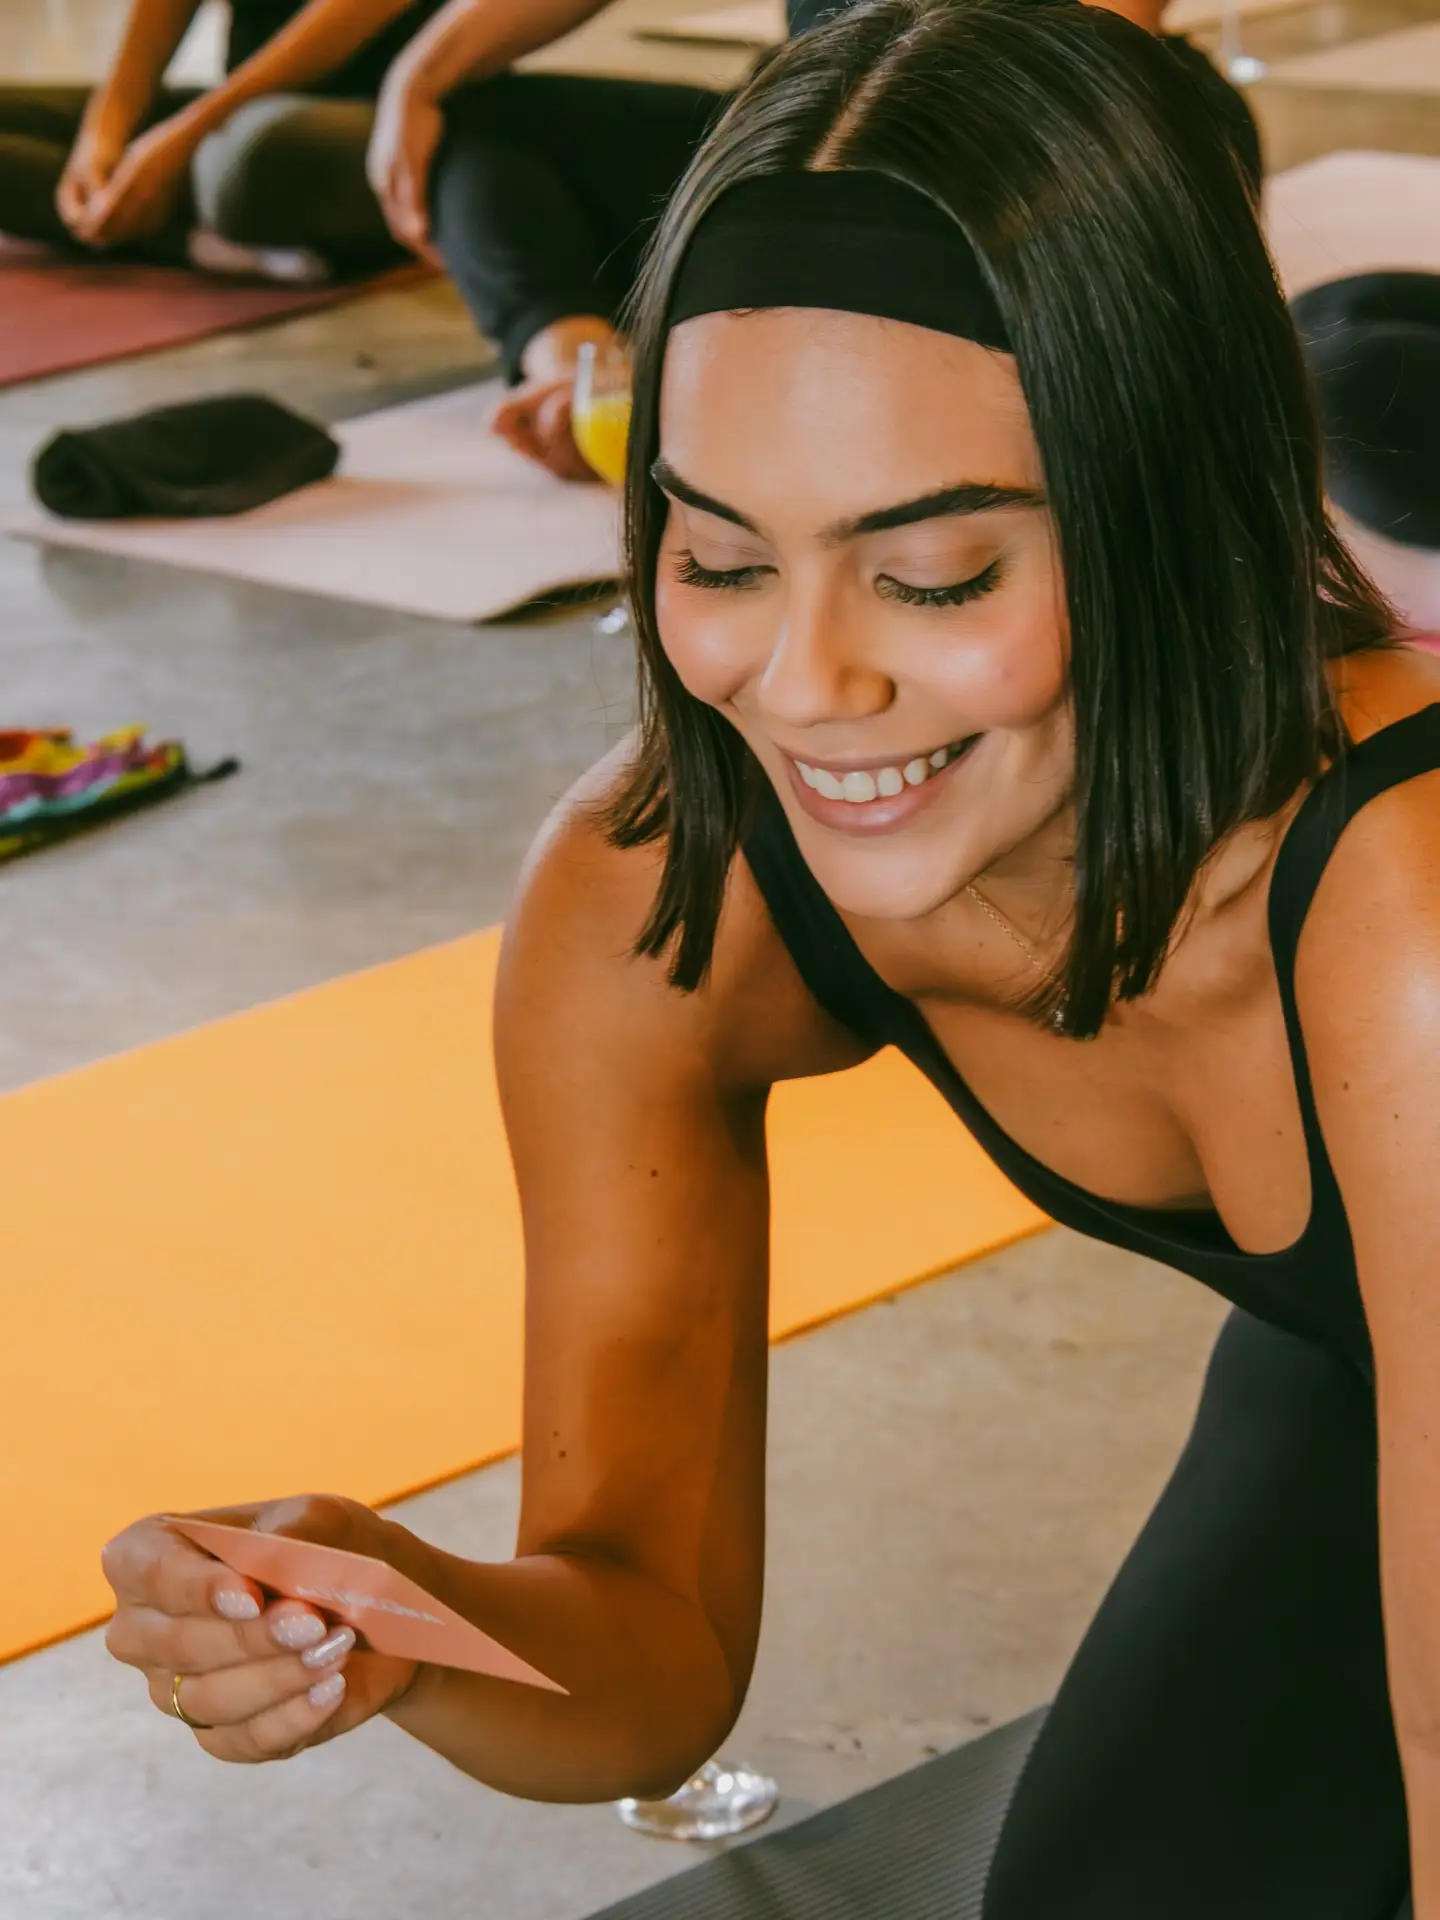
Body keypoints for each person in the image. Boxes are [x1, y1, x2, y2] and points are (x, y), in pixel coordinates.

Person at [101, 2, 1439, 1911]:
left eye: (938, 573)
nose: (804, 688)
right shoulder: (655, 900)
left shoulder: (1406, 902)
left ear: (1171, 509)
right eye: (721, 559)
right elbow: (644, 1657)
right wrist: (404, 1623)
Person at [366, 0, 1263, 476]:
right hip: (816, 125)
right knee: (486, 125)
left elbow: (1093, 47)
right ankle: (580, 375)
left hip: (1052, 114)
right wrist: (417, 75)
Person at [0, 0, 447, 274]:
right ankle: (195, 242)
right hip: (236, 115)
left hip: (381, 125)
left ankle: (191, 223)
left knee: (245, 163)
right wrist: (101, 135)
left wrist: (185, 139)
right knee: (227, 157)